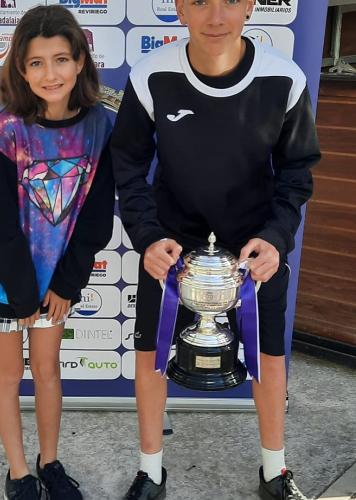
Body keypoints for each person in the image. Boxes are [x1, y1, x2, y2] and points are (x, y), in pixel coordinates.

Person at [111, 1, 321, 499]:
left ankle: (275, 471)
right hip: (171, 245)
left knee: (269, 356)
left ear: (249, 5)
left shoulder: (283, 79)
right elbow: (128, 164)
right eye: (200, 1)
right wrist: (147, 236)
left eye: (230, 0)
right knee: (151, 355)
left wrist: (276, 238)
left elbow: (296, 172)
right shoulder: (151, 75)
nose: (216, 16)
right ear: (180, 8)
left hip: (253, 244)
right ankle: (150, 471)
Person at [0, 5, 114, 500]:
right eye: (36, 63)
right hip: (7, 283)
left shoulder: (100, 128)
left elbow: (95, 216)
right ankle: (18, 472)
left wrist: (66, 283)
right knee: (9, 373)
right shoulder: (8, 130)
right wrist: (22, 292)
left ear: (80, 62)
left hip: (55, 286)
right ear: (21, 69)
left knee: (48, 371)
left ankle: (49, 463)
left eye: (61, 59)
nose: (50, 74)